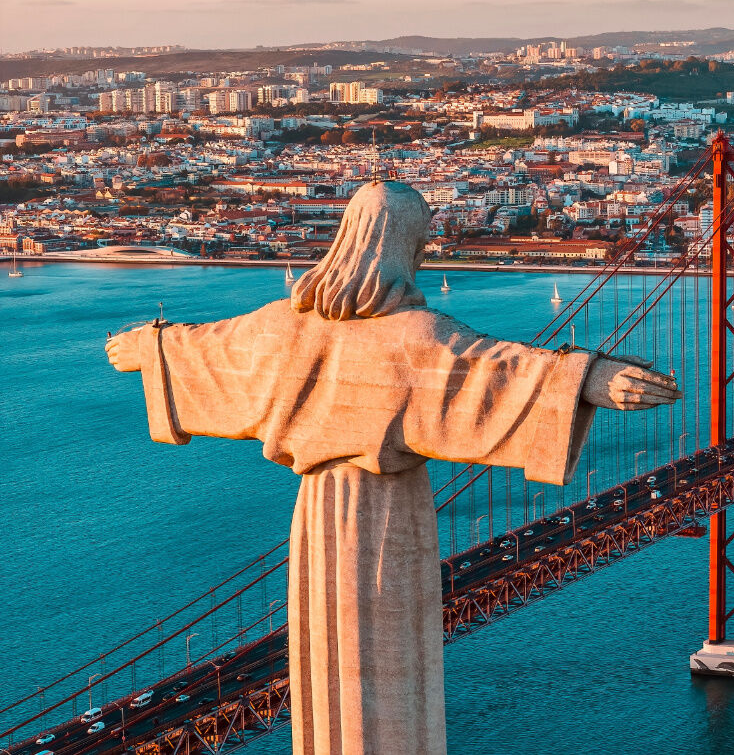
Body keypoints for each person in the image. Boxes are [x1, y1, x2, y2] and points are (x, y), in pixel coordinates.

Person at [106, 180, 680, 755]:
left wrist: (150, 348)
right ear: (409, 248)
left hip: (317, 514)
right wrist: (591, 379)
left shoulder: (281, 326)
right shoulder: (415, 338)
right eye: (424, 241)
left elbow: (207, 349)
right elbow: (498, 374)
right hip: (389, 517)